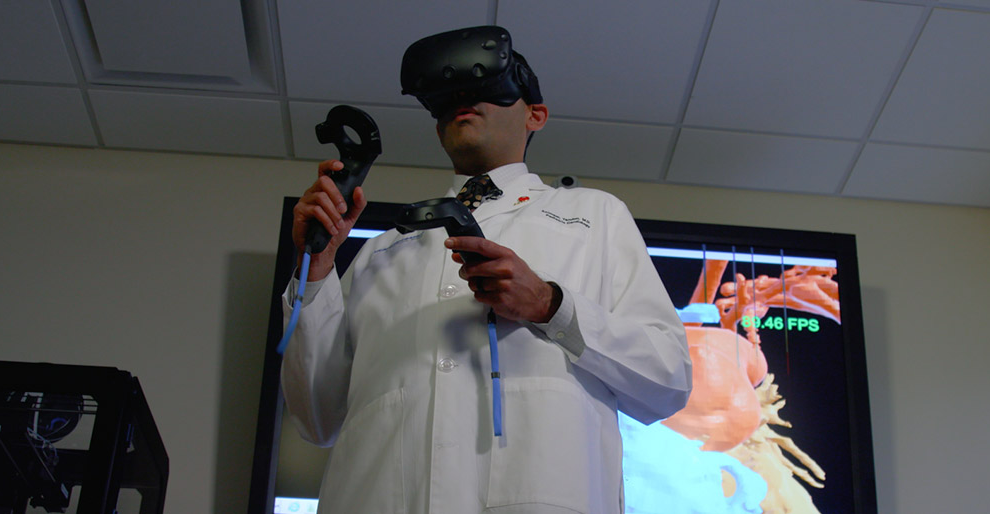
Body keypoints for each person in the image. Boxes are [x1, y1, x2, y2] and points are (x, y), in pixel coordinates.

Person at [281, 26, 691, 514]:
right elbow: (317, 418)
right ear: (437, 128)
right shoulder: (382, 250)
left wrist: (550, 306)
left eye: (489, 92)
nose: (464, 102)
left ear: (535, 115)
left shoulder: (594, 216)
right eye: (450, 99)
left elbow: (667, 378)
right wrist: (318, 268)